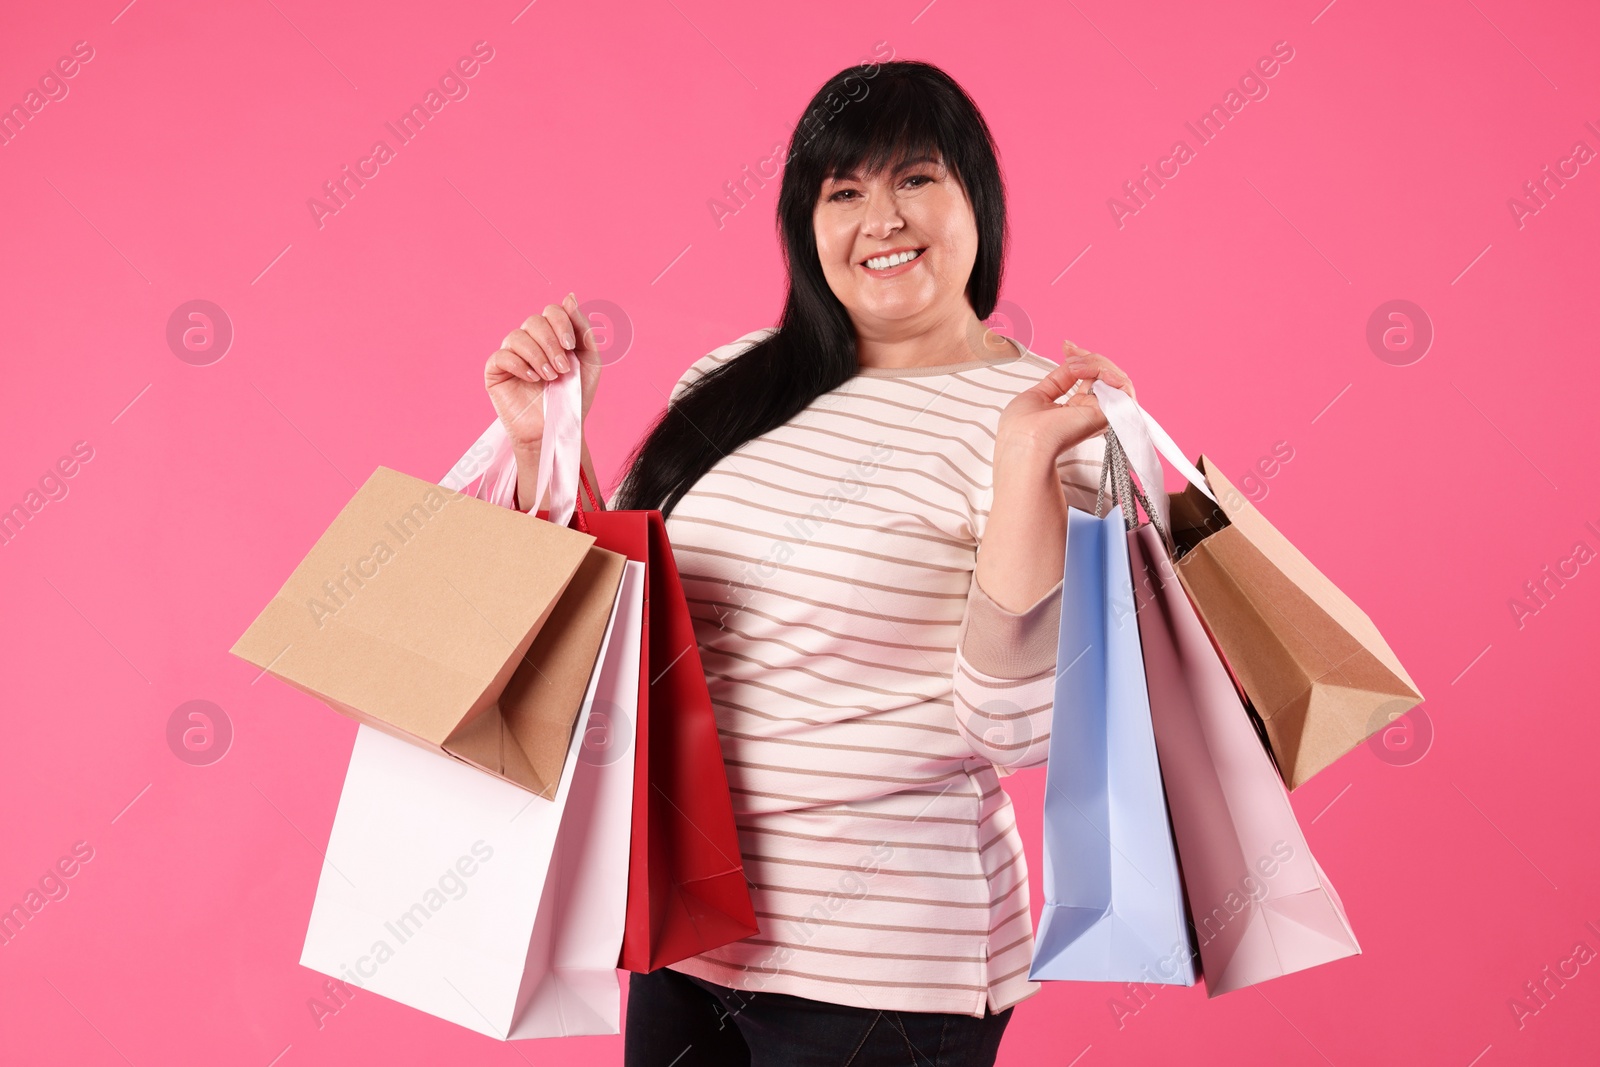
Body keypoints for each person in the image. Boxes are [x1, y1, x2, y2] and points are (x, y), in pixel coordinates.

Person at [483, 59, 1138, 1067]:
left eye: (914, 177)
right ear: (805, 225)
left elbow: (1017, 727)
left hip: (884, 966)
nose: (880, 217)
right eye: (843, 191)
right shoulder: (735, 381)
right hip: (686, 924)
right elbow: (630, 644)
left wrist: (1019, 465)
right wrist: (546, 443)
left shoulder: (1048, 428)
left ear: (977, 198)